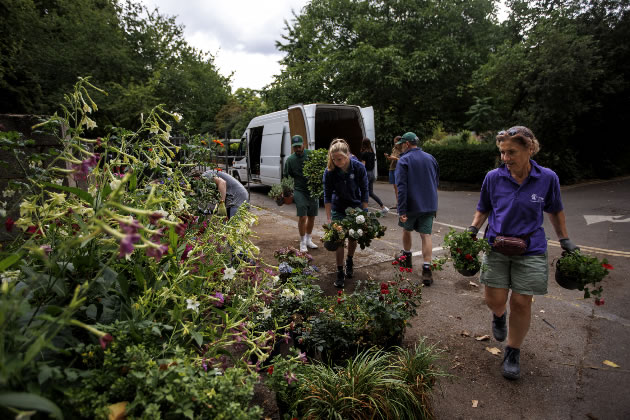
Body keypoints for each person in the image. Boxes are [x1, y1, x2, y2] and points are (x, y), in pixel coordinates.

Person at [466, 126, 578, 380]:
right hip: (496, 245)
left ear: (530, 149)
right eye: (503, 153)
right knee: (494, 299)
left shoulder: (547, 178)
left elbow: (555, 210)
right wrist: (472, 229)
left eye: (511, 152)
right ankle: (498, 315)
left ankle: (513, 351)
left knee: (521, 301)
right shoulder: (493, 177)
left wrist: (565, 239)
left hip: (531, 248)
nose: (505, 158)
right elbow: (483, 208)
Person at [323, 138, 369, 288]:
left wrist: (365, 211)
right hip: (338, 208)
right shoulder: (329, 171)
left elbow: (365, 190)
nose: (337, 162)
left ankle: (349, 260)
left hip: (355, 207)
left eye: (340, 159)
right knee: (339, 240)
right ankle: (340, 271)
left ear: (347, 155)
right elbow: (327, 195)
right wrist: (329, 217)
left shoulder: (358, 168)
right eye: (334, 159)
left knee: (353, 237)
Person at [395, 132, 439, 286]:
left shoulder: (404, 160)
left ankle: (407, 258)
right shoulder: (430, 158)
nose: (400, 147)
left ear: (407, 144)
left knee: (407, 230)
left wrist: (402, 210)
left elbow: (402, 187)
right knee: (426, 235)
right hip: (428, 204)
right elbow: (435, 181)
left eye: (401, 144)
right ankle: (427, 268)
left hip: (412, 205)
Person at [283, 135, 319, 253]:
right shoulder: (290, 160)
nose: (297, 149)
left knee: (312, 216)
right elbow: (286, 176)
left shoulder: (311, 155)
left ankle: (309, 239)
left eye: (299, 146)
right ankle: (302, 241)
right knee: (303, 216)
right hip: (299, 190)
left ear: (304, 144)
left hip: (313, 190)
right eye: (295, 147)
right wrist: (285, 192)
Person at [360, 138, 388, 213]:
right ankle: (383, 207)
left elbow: (363, 165)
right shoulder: (372, 153)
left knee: (362, 191)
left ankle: (363, 209)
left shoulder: (364, 154)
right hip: (371, 173)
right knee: (370, 193)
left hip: (366, 173)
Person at [384, 136, 402, 208]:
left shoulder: (403, 149)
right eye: (394, 142)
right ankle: (398, 203)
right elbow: (391, 159)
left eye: (396, 142)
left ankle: (400, 203)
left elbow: (403, 159)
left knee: (399, 187)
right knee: (395, 187)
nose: (395, 144)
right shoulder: (394, 149)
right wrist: (388, 157)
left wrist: (396, 158)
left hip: (398, 169)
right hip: (392, 168)